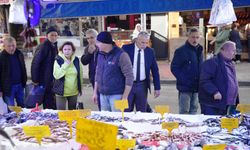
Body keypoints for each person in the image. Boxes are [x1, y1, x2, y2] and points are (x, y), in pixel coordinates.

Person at [92, 31, 134, 112]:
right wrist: (95, 92)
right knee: (105, 120)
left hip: (117, 95)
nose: (96, 44)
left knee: (117, 120)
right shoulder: (99, 54)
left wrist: (125, 96)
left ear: (105, 43)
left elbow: (129, 76)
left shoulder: (121, 55)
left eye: (98, 42)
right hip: (102, 94)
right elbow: (97, 73)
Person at [122, 31, 160, 112]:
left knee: (142, 111)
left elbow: (155, 70)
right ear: (136, 40)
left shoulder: (150, 52)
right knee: (126, 110)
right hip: (128, 85)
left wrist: (157, 88)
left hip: (142, 85)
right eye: (142, 42)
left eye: (146, 43)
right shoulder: (126, 48)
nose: (144, 45)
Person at [199, 41, 239, 115]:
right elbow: (204, 80)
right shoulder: (212, 62)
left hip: (228, 104)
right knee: (212, 124)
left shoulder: (230, 64)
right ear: (224, 50)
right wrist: (214, 91)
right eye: (233, 50)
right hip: (213, 105)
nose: (235, 53)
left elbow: (232, 82)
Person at [171, 27, 203, 114]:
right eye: (193, 37)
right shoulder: (181, 51)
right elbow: (174, 68)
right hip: (185, 88)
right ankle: (183, 127)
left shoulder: (200, 50)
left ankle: (192, 127)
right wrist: (184, 80)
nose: (195, 39)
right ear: (188, 37)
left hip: (196, 87)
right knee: (184, 111)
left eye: (197, 37)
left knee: (194, 109)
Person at [31, 26, 58, 109]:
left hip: (51, 77)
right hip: (44, 78)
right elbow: (35, 63)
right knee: (48, 99)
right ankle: (49, 116)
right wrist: (35, 80)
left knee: (51, 98)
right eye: (51, 35)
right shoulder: (43, 47)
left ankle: (52, 115)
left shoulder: (53, 45)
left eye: (55, 35)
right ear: (47, 36)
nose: (53, 37)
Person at [53, 42, 83, 110]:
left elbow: (80, 75)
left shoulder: (76, 60)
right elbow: (57, 75)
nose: (67, 51)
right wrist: (65, 65)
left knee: (72, 113)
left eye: (69, 49)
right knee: (61, 113)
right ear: (62, 50)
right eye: (65, 49)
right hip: (61, 92)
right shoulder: (58, 60)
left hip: (73, 92)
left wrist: (80, 88)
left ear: (72, 51)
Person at [0, 36, 27, 107]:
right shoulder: (1, 57)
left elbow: (23, 68)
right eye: (9, 46)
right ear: (4, 46)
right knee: (10, 108)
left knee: (22, 106)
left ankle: (21, 118)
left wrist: (24, 82)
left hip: (20, 85)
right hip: (8, 88)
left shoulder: (19, 54)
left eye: (13, 46)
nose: (11, 48)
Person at [81, 29, 101, 110]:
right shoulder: (87, 48)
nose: (90, 40)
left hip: (102, 76)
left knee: (102, 98)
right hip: (93, 76)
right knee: (98, 98)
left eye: (92, 37)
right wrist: (89, 53)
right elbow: (84, 62)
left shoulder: (101, 46)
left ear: (97, 37)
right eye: (88, 38)